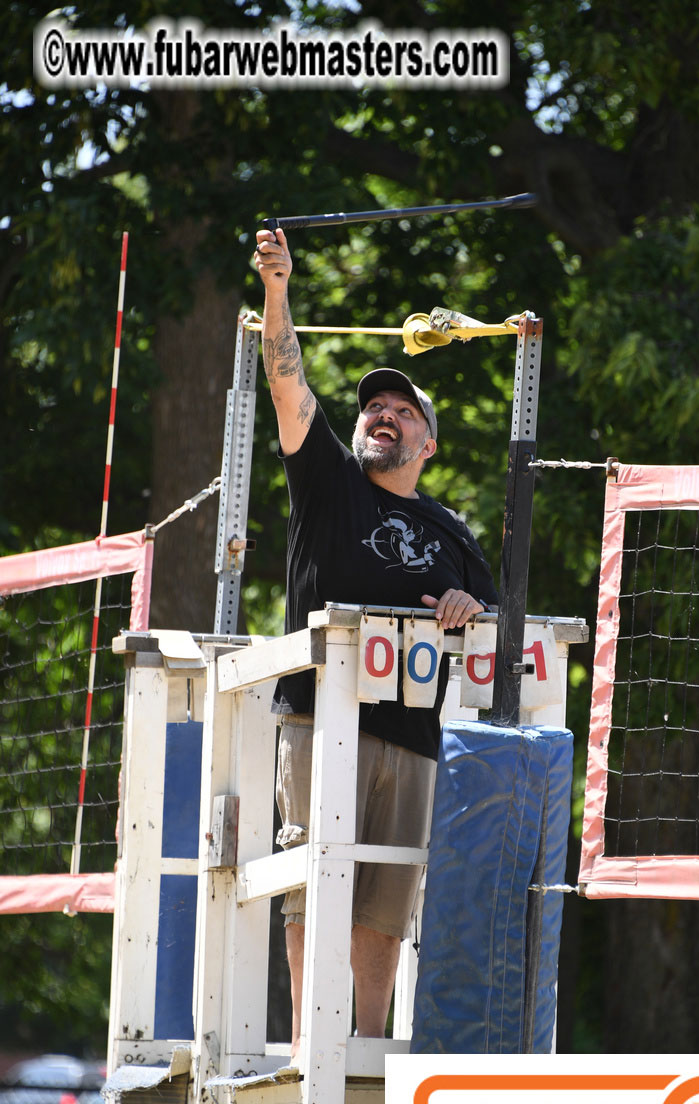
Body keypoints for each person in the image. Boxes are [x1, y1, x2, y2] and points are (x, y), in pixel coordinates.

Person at [254, 225, 498, 1059]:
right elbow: (288, 386)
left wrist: (471, 605)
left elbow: (498, 633)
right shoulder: (329, 486)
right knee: (308, 892)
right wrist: (278, 289)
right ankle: (304, 1050)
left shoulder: (451, 529)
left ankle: (360, 1049)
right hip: (321, 722)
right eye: (373, 408)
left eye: (402, 412)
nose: (382, 416)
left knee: (384, 910)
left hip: (414, 737)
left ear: (428, 444)